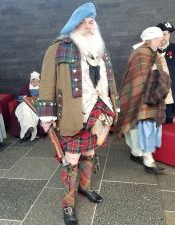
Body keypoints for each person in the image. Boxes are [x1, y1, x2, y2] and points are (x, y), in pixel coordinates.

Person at [37, 3, 118, 225]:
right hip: (72, 115)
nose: (87, 26)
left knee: (91, 152)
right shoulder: (57, 49)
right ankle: (68, 204)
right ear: (73, 25)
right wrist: (47, 115)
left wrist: (114, 104)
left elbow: (109, 81)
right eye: (82, 22)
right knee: (70, 159)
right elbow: (46, 84)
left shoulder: (101, 50)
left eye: (91, 22)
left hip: (98, 113)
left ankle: (85, 187)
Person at [115, 27, 171, 175]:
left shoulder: (150, 52)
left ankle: (137, 154)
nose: (161, 41)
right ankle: (148, 161)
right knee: (144, 128)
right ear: (151, 39)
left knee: (142, 128)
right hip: (142, 98)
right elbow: (136, 80)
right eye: (159, 39)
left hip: (149, 97)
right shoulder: (141, 53)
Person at [156, 21, 175, 124]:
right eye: (160, 35)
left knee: (168, 124)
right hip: (153, 97)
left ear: (169, 35)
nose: (163, 37)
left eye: (165, 34)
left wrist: (172, 77)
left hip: (169, 96)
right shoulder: (150, 50)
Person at [11, 71, 44, 143]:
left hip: (37, 105)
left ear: (39, 81)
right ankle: (28, 129)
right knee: (24, 109)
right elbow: (20, 97)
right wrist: (25, 98)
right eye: (33, 81)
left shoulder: (42, 87)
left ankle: (28, 131)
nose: (35, 83)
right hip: (26, 104)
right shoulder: (26, 87)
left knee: (32, 111)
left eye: (37, 81)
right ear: (31, 81)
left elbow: (45, 97)